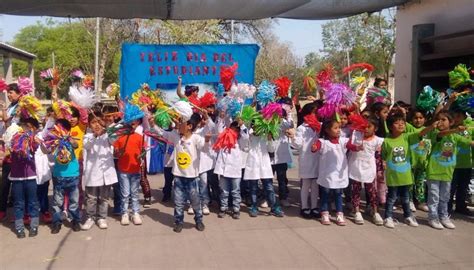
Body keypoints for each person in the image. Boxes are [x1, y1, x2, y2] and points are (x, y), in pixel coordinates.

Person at [425, 110, 474, 230]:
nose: (440, 122)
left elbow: (470, 142)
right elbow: (442, 135)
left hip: (447, 172)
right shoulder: (435, 133)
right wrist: (456, 130)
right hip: (434, 171)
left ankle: (443, 217)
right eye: (438, 119)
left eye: (444, 120)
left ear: (451, 122)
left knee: (445, 197)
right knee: (434, 197)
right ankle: (433, 217)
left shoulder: (455, 137)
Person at [382, 112, 425, 229]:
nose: (401, 125)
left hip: (405, 175)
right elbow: (383, 156)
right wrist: (383, 163)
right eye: (397, 123)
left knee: (406, 198)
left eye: (403, 122)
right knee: (391, 198)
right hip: (393, 176)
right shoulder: (387, 141)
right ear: (390, 126)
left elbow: (421, 132)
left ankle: (408, 216)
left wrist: (431, 126)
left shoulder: (407, 137)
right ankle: (388, 217)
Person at [171, 113, 211, 233]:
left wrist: (207, 141)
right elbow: (161, 133)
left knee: (195, 200)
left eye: (182, 123)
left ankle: (198, 220)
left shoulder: (196, 138)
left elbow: (204, 148)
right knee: (178, 202)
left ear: (189, 126)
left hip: (192, 177)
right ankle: (178, 222)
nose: (179, 124)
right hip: (178, 176)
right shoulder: (176, 137)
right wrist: (153, 124)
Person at [312, 119, 355, 226]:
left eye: (339, 128)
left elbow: (351, 146)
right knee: (325, 194)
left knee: (338, 194)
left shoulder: (343, 141)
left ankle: (339, 213)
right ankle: (324, 213)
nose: (338, 130)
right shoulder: (322, 142)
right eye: (335, 128)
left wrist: (357, 147)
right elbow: (315, 148)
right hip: (327, 174)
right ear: (327, 130)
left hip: (340, 174)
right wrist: (314, 148)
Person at [81, 112, 118, 230]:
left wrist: (107, 129)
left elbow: (114, 141)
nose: (96, 125)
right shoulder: (87, 136)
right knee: (91, 198)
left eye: (98, 122)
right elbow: (87, 146)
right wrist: (95, 136)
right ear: (89, 125)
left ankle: (102, 217)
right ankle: (90, 217)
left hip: (106, 172)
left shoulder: (107, 135)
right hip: (93, 173)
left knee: (104, 197)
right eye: (93, 123)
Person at [46, 119, 82, 234]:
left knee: (74, 201)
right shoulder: (53, 141)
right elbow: (47, 150)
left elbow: (76, 145)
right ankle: (57, 223)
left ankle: (75, 220)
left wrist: (68, 137)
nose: (58, 130)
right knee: (57, 201)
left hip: (73, 174)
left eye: (60, 128)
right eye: (56, 128)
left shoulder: (71, 138)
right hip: (59, 175)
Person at [348, 117, 384, 225]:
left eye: (369, 127)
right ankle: (357, 211)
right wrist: (355, 147)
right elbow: (349, 145)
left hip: (369, 168)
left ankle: (375, 211)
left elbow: (380, 156)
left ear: (375, 128)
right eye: (364, 127)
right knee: (356, 190)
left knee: (372, 191)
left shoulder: (378, 140)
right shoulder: (356, 135)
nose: (366, 129)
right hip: (356, 165)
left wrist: (380, 168)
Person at [9, 117, 41, 238]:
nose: (26, 129)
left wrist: (31, 139)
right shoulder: (14, 139)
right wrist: (17, 143)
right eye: (24, 126)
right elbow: (13, 150)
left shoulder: (33, 139)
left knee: (33, 202)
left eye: (29, 127)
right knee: (18, 203)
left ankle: (34, 225)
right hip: (17, 177)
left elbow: (34, 147)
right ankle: (19, 227)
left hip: (31, 176)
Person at [243, 126, 284, 218]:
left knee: (269, 187)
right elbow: (245, 148)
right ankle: (254, 207)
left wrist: (269, 139)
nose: (257, 129)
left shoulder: (265, 136)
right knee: (253, 187)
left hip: (264, 164)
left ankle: (273, 207)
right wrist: (248, 138)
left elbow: (271, 150)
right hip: (253, 163)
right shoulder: (249, 135)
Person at [290, 102, 321, 219]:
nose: (315, 114)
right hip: (306, 160)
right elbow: (297, 145)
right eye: (313, 112)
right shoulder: (302, 128)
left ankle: (314, 207)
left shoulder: (319, 126)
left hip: (317, 160)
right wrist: (293, 137)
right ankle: (304, 207)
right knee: (306, 185)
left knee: (315, 186)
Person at [113, 118, 145, 226]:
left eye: (134, 123)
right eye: (129, 123)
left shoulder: (140, 137)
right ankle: (125, 213)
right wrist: (119, 153)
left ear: (137, 124)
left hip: (135, 169)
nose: (131, 125)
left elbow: (143, 151)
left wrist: (142, 155)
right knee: (125, 194)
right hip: (123, 170)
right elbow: (116, 154)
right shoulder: (120, 138)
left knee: (135, 193)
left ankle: (135, 212)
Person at [214, 121, 248, 219]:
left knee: (235, 191)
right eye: (232, 129)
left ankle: (236, 209)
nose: (234, 131)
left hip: (235, 171)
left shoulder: (240, 142)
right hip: (224, 170)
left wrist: (242, 125)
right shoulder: (223, 139)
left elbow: (246, 137)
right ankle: (223, 208)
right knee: (224, 191)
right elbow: (219, 128)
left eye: (237, 130)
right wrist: (221, 117)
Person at [0, 83, 22, 221]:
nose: (9, 95)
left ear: (19, 93)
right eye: (8, 92)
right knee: (5, 181)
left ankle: (18, 211)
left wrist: (3, 111)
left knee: (17, 182)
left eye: (12, 92)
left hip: (18, 147)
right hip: (6, 146)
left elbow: (8, 123)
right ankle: (2, 209)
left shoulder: (21, 106)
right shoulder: (10, 106)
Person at [448, 108, 473, 216]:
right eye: (454, 116)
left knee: (463, 187)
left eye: (459, 116)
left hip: (467, 164)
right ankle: (447, 207)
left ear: (464, 116)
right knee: (450, 188)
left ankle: (460, 206)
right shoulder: (449, 129)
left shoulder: (470, 127)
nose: (456, 118)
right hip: (452, 165)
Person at [271, 97, 294, 207]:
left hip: (281, 156)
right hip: (270, 154)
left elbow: (289, 125)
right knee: (268, 178)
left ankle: (283, 197)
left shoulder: (285, 122)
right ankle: (268, 198)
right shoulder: (269, 121)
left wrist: (288, 113)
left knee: (281, 178)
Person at [406, 109, 431, 212]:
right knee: (410, 183)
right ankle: (410, 200)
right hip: (411, 163)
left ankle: (420, 202)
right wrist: (403, 112)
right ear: (411, 120)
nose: (418, 120)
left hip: (423, 164)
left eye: (421, 118)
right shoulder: (410, 129)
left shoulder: (429, 130)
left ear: (425, 119)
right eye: (415, 118)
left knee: (420, 183)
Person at [371, 102, 390, 206]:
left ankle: (383, 199)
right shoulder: (374, 124)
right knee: (373, 178)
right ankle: (373, 200)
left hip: (382, 155)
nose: (387, 114)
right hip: (373, 155)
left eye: (387, 112)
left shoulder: (387, 124)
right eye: (384, 112)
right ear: (377, 113)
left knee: (382, 177)